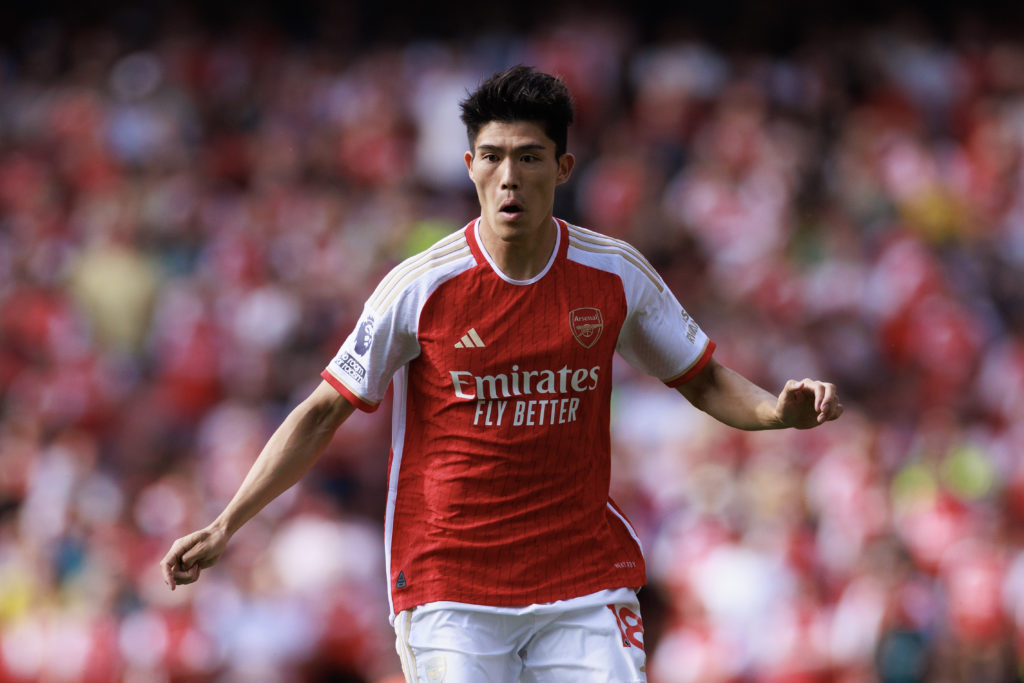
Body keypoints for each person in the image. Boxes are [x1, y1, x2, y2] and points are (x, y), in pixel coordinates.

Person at [161, 65, 843, 682]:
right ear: (469, 165)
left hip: (579, 579)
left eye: (528, 157)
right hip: (450, 583)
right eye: (492, 157)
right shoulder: (420, 286)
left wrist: (778, 412)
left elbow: (703, 377)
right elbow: (320, 411)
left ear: (563, 166)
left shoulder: (614, 273)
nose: (509, 176)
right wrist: (225, 525)